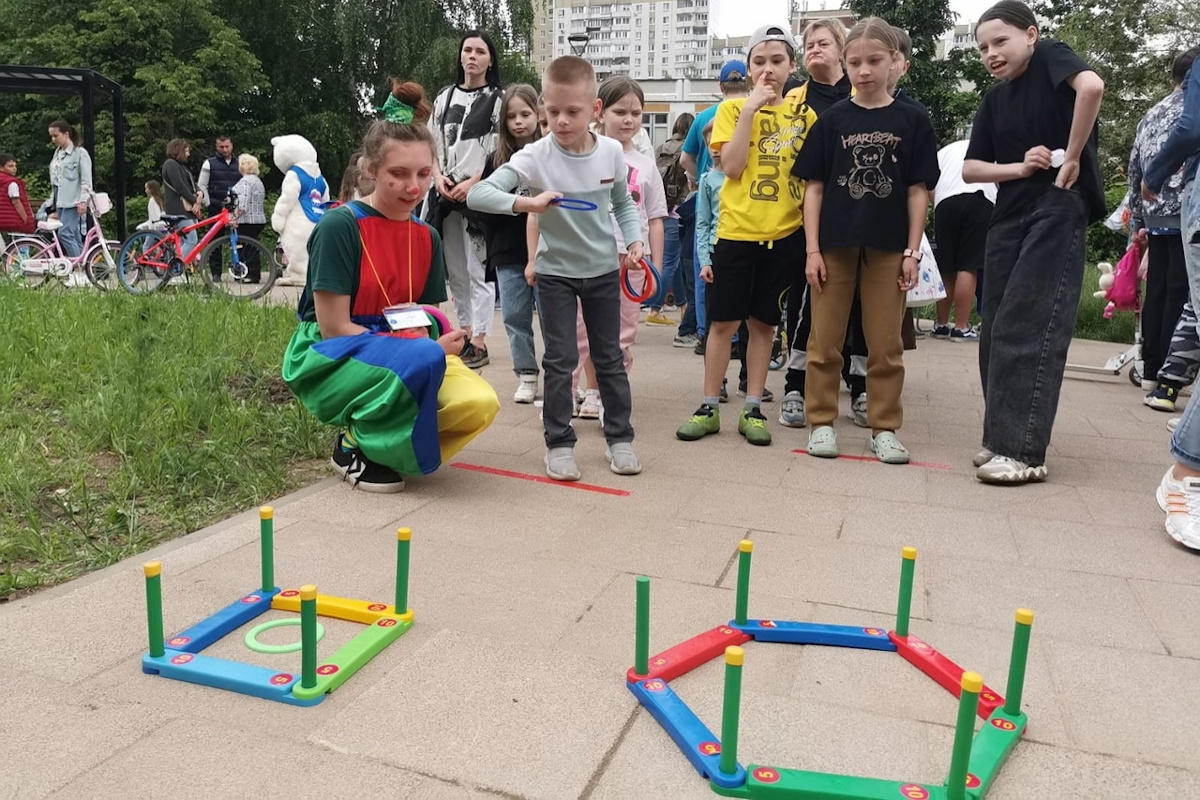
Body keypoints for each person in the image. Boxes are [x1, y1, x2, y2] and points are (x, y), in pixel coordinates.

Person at [282, 81, 499, 494]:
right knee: (422, 356)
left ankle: (391, 440)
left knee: (479, 402)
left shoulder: (426, 236)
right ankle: (353, 443)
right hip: (330, 354)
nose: (413, 188)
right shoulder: (340, 226)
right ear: (370, 170)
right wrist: (424, 349)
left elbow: (426, 318)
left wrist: (442, 339)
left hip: (405, 349)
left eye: (422, 174)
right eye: (398, 174)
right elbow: (332, 329)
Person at [469, 55, 645, 482]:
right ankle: (559, 444)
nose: (561, 121)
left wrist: (635, 239)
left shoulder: (610, 154)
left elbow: (621, 202)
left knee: (609, 358)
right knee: (561, 359)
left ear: (595, 111)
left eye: (572, 112)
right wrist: (528, 202)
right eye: (552, 112)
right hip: (554, 275)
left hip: (603, 271)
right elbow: (479, 194)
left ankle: (620, 439)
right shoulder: (535, 157)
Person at [963, 0, 1106, 484]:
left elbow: (1092, 86)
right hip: (1008, 208)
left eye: (1000, 41)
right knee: (996, 321)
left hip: (1059, 202)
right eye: (983, 47)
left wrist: (1074, 154)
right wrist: (1020, 167)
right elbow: (971, 168)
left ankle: (1022, 451)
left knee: (1030, 317)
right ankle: (998, 436)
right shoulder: (993, 99)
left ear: (1031, 34)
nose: (991, 53)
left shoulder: (1051, 57)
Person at [793, 18, 939, 465]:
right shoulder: (832, 119)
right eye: (854, 62)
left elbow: (919, 191)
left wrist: (912, 251)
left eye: (874, 60)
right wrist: (812, 249)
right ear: (845, 62)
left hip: (889, 247)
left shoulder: (913, 118)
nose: (864, 70)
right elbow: (813, 188)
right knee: (824, 339)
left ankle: (884, 428)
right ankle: (820, 423)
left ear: (895, 61)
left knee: (885, 344)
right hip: (833, 245)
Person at [674, 25, 816, 448]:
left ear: (793, 65)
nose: (768, 70)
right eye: (759, 62)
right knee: (722, 322)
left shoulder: (805, 116)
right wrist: (752, 109)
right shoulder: (732, 112)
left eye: (777, 61)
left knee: (764, 324)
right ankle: (709, 406)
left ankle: (753, 407)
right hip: (735, 234)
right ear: (749, 68)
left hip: (785, 234)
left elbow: (810, 182)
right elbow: (731, 167)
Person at [779, 19, 859, 430]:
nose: (813, 50)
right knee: (804, 301)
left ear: (842, 49)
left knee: (860, 305)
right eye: (808, 44)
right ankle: (796, 383)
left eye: (822, 43)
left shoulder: (863, 94)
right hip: (801, 217)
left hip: (857, 217)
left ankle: (859, 385)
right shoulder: (793, 97)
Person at [573, 76, 667, 421]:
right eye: (620, 111)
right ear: (600, 112)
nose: (628, 119)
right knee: (582, 329)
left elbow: (655, 216)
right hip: (589, 258)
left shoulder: (645, 164)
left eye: (636, 113)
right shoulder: (583, 156)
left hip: (631, 262)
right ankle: (581, 391)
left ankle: (608, 396)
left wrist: (655, 264)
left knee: (622, 334)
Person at [1147, 38, 1200, 547]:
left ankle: (1158, 373)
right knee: (1181, 302)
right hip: (1181, 204)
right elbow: (1190, 131)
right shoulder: (1180, 108)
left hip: (1164, 210)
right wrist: (1158, 177)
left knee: (1172, 298)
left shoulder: (1160, 108)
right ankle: (1187, 473)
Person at [429, 30, 505, 370]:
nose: (472, 56)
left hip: (479, 195)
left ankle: (480, 340)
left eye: (479, 51)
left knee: (479, 271)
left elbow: (500, 149)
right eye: (467, 50)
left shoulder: (498, 99)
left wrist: (476, 181)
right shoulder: (444, 98)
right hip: (445, 195)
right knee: (455, 270)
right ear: (460, 57)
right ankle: (464, 332)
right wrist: (436, 178)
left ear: (490, 60)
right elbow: (431, 144)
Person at [1134, 46, 1200, 410]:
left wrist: (1137, 220)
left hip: (1155, 211)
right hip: (1186, 210)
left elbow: (1133, 167)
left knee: (1157, 292)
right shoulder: (1192, 109)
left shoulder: (1151, 113)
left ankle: (1152, 367)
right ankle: (1169, 379)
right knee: (1182, 293)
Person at [478, 83, 543, 404]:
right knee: (515, 316)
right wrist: (516, 205)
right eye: (512, 116)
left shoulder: (551, 154)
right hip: (508, 250)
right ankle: (526, 374)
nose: (519, 122)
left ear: (538, 114)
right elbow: (482, 207)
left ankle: (563, 376)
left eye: (526, 114)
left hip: (550, 250)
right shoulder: (496, 160)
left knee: (554, 318)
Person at [680, 60, 749, 355]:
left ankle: (704, 334)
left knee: (703, 269)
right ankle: (744, 337)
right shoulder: (754, 112)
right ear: (749, 84)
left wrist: (700, 179)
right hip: (747, 205)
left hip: (708, 199)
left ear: (720, 86)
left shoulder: (705, 116)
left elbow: (685, 159)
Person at [932, 140, 996, 340]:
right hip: (978, 200)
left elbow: (928, 184)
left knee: (947, 267)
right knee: (968, 266)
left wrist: (938, 203)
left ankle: (941, 324)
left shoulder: (945, 151)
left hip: (944, 204)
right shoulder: (990, 147)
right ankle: (960, 327)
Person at [646, 111, 694, 326]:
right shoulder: (688, 149)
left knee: (671, 262)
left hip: (659, 208)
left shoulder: (662, 147)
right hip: (677, 210)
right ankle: (655, 309)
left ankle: (683, 305)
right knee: (670, 262)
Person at [47, 119, 92, 260]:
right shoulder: (57, 154)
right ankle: (84, 266)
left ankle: (77, 266)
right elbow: (56, 180)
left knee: (65, 233)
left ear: (66, 134)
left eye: (56, 135)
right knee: (73, 233)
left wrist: (84, 201)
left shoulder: (80, 153)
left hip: (73, 201)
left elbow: (86, 180)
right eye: (51, 136)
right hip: (60, 201)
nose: (53, 139)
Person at [162, 138, 203, 256]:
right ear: (179, 150)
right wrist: (194, 201)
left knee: (184, 240)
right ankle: (177, 267)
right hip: (178, 209)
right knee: (191, 240)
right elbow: (180, 187)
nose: (188, 154)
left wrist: (200, 193)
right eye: (186, 151)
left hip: (183, 209)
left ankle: (176, 264)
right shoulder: (171, 164)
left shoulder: (180, 166)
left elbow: (192, 184)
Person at [230, 154, 268, 283]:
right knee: (252, 247)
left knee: (246, 247)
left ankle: (250, 274)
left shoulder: (245, 181)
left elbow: (243, 203)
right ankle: (251, 272)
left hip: (247, 219)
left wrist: (234, 218)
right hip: (258, 218)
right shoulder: (257, 181)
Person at [0, 153, 34, 235]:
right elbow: (16, 202)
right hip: (14, 222)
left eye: (15, 166)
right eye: (10, 166)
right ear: (1, 168)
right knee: (21, 245)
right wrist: (25, 219)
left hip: (2, 222)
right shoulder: (12, 183)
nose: (14, 169)